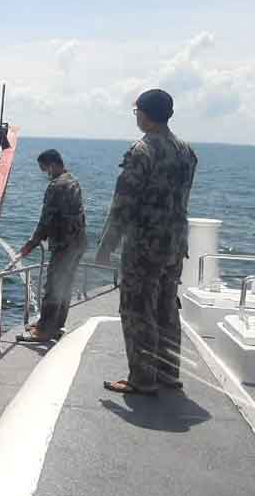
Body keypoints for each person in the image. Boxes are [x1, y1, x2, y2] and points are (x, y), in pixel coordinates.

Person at [96, 89, 197, 395]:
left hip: (145, 245)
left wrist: (106, 245)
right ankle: (168, 371)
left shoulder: (141, 151)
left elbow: (123, 204)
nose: (136, 116)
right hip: (175, 243)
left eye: (136, 111)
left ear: (144, 113)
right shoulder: (186, 150)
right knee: (167, 306)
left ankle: (142, 378)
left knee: (138, 308)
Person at [18, 150, 87, 341]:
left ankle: (43, 331)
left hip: (64, 244)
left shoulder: (56, 186)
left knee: (54, 286)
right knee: (65, 285)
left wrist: (31, 244)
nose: (44, 173)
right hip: (78, 242)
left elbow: (46, 220)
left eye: (44, 169)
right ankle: (56, 324)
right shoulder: (73, 180)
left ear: (52, 165)